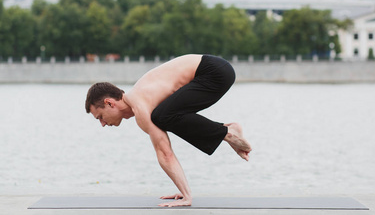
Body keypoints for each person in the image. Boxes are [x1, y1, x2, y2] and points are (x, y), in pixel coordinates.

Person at [85, 54, 252, 207]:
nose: (102, 124)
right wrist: (183, 191)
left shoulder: (141, 108)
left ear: (109, 103)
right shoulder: (141, 99)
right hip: (216, 70)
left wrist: (187, 197)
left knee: (161, 116)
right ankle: (228, 130)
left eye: (100, 116)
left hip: (214, 73)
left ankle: (227, 131)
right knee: (163, 115)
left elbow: (165, 153)